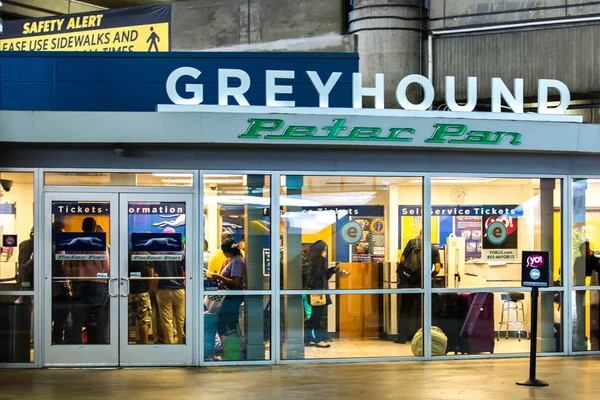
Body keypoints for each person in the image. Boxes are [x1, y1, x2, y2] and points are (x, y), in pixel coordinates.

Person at [64, 217, 110, 344]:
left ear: (82, 228)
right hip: (98, 286)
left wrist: (75, 276)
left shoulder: (73, 243)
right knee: (102, 321)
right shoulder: (100, 243)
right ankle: (104, 347)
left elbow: (66, 268)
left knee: (77, 321)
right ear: (95, 228)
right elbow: (106, 266)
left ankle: (77, 348)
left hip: (79, 285)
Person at [395, 230, 441, 344]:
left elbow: (402, 260)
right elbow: (437, 269)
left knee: (405, 309)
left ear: (419, 234)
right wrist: (427, 275)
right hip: (422, 283)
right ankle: (421, 337)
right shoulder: (434, 249)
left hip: (408, 282)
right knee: (422, 310)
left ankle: (402, 337)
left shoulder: (411, 243)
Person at [209, 238, 246, 337]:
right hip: (231, 296)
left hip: (233, 296)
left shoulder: (237, 261)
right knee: (229, 321)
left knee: (227, 321)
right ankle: (230, 344)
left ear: (227, 251)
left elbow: (236, 282)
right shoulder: (233, 260)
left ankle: (232, 344)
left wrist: (219, 277)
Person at [155, 227, 186, 344]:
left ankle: (170, 343)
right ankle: (181, 342)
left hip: (163, 289)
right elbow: (186, 271)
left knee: (167, 319)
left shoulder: (158, 253)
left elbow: (155, 273)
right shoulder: (181, 253)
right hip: (179, 289)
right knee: (180, 318)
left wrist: (154, 288)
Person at [305, 240, 337, 348]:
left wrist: (331, 271)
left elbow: (323, 278)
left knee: (313, 317)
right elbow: (317, 279)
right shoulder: (315, 263)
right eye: (324, 250)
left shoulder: (316, 262)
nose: (326, 253)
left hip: (316, 293)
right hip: (317, 294)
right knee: (317, 317)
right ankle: (318, 340)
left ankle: (308, 339)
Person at [573, 241, 600, 350]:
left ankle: (594, 338)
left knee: (594, 313)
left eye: (587, 249)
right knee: (580, 313)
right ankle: (580, 337)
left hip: (593, 290)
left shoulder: (594, 260)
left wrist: (592, 258)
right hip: (580, 288)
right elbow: (578, 273)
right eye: (583, 249)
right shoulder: (579, 260)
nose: (585, 250)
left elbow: (595, 270)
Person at [128, 242, 154, 344]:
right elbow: (150, 275)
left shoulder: (126, 255)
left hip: (128, 292)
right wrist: (147, 289)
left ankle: (125, 344)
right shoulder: (147, 256)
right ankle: (144, 344)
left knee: (126, 320)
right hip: (142, 291)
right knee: (144, 320)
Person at [51, 221, 71, 344]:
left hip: (46, 291)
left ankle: (49, 343)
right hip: (59, 292)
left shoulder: (42, 250)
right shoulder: (60, 251)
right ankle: (57, 344)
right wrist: (68, 289)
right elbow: (64, 272)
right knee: (61, 321)